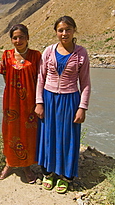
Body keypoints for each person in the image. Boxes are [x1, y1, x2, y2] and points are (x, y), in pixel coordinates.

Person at [35, 16, 91, 193]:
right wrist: (39, 102)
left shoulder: (81, 53)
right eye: (60, 30)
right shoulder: (48, 51)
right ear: (56, 32)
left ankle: (66, 176)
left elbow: (86, 83)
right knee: (48, 135)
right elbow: (41, 78)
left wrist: (82, 107)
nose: (64, 33)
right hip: (49, 98)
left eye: (68, 29)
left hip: (70, 100)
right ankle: (48, 172)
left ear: (74, 30)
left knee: (68, 137)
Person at [0, 24, 41, 183]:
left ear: (28, 38)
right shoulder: (6, 55)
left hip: (30, 102)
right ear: (11, 40)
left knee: (28, 134)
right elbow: (5, 76)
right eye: (15, 37)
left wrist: (39, 102)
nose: (18, 40)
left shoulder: (36, 56)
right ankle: (9, 163)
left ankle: (26, 166)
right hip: (11, 102)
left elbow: (40, 80)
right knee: (10, 132)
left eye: (21, 37)